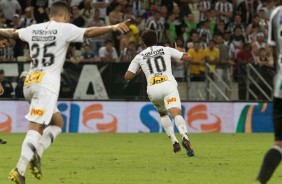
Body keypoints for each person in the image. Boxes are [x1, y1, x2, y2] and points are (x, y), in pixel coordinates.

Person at [0, 1, 130, 184]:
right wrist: (113, 26)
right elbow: (89, 32)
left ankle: (36, 154)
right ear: (66, 15)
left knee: (58, 122)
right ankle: (19, 169)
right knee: (36, 127)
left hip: (29, 83)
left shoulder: (34, 28)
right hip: (45, 85)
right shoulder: (64, 28)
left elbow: (11, 33)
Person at [124, 29, 194, 156]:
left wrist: (139, 71)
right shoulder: (166, 49)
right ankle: (185, 137)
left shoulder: (139, 56)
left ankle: (174, 141)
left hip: (153, 89)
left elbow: (128, 76)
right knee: (175, 112)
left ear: (143, 43)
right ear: (156, 39)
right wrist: (179, 52)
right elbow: (188, 58)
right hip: (168, 85)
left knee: (163, 114)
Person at [255, 4, 282, 183]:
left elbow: (274, 50)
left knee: (279, 143)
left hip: (280, 86)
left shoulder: (276, 13)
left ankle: (259, 181)